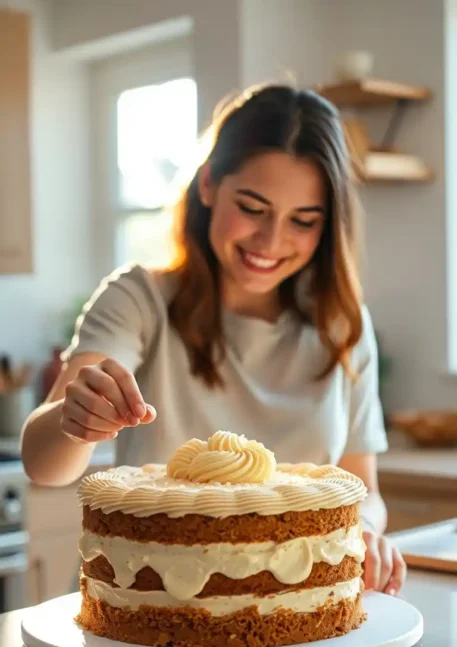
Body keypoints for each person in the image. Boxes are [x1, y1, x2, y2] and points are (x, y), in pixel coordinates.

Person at [21, 83, 406, 596]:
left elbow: (365, 490)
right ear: (208, 185)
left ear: (329, 226)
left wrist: (369, 530)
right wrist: (76, 420)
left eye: (303, 220)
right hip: (149, 606)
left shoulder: (342, 326)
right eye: (252, 207)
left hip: (295, 610)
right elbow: (43, 465)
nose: (271, 240)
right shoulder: (141, 298)